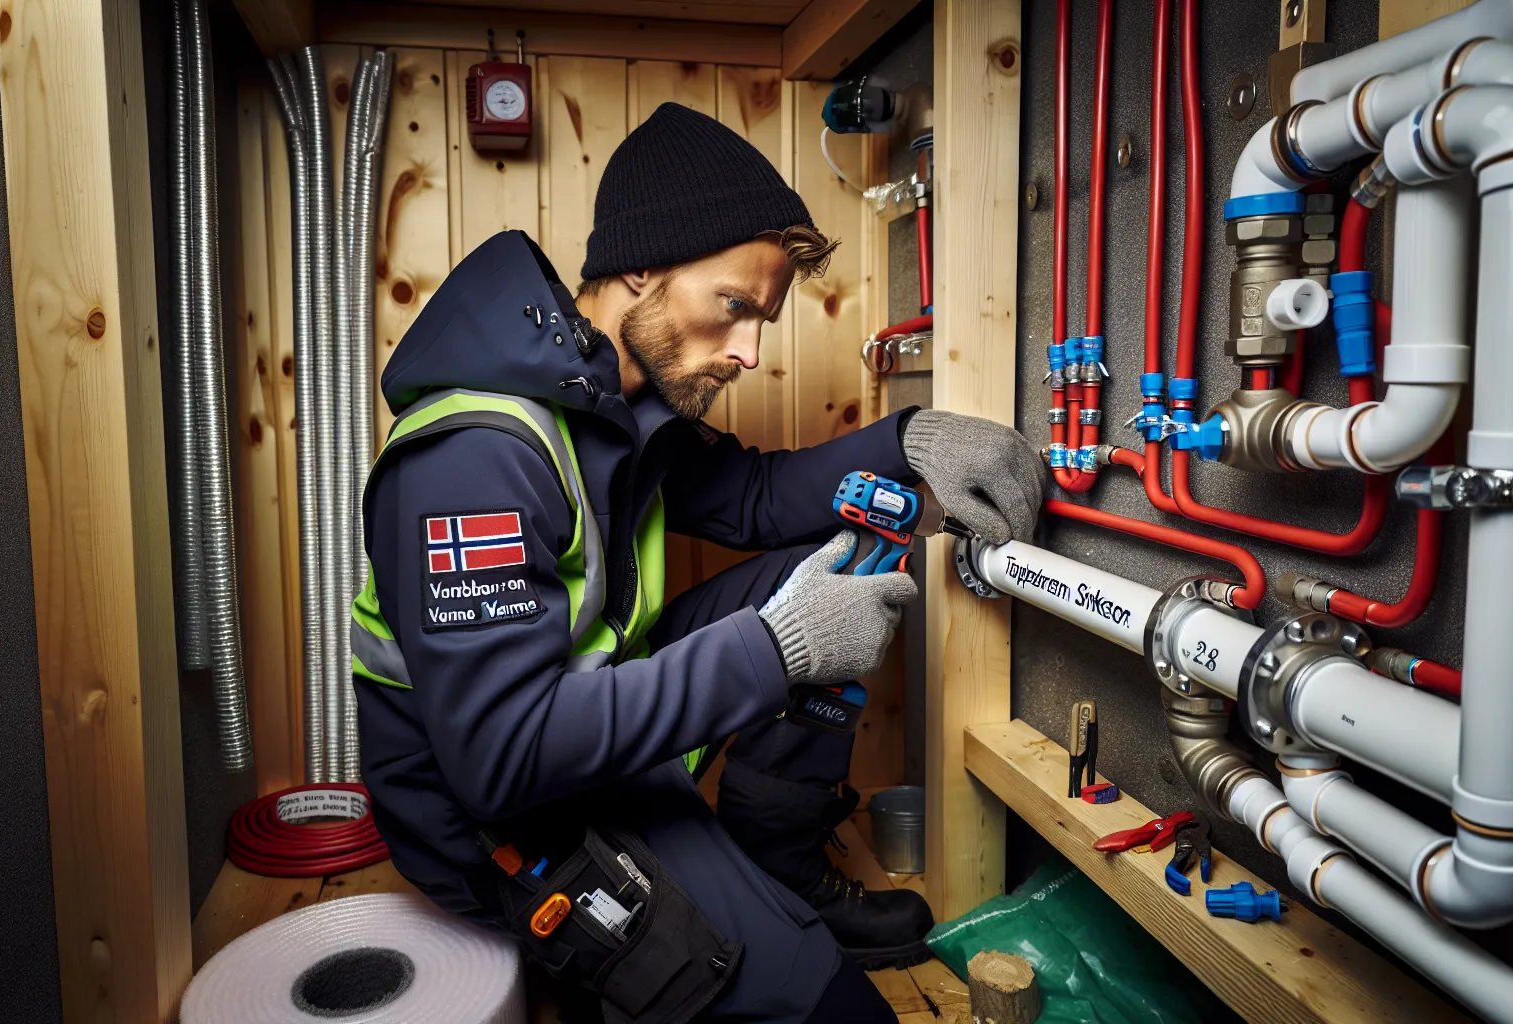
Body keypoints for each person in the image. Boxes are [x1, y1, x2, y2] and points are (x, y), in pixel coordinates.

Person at [353, 103, 1045, 1023]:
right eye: (735, 308)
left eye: (763, 320)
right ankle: (755, 921)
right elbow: (502, 759)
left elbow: (756, 498)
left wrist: (911, 441)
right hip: (493, 821)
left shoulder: (614, 398)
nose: (751, 352)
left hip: (585, 731)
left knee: (828, 562)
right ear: (641, 267)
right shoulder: (476, 456)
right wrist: (779, 650)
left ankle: (777, 864)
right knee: (834, 1012)